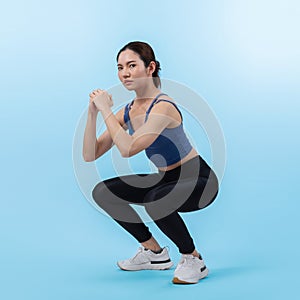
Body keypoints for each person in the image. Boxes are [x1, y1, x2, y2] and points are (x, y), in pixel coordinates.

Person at [82, 41, 219, 284]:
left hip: (198, 179)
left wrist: (105, 111)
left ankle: (193, 259)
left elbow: (128, 149)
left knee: (156, 200)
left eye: (132, 65)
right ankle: (154, 253)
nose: (125, 73)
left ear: (150, 67)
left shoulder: (163, 107)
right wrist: (93, 113)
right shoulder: (129, 110)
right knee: (103, 191)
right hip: (166, 179)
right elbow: (90, 154)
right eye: (120, 67)